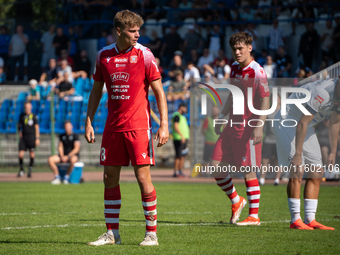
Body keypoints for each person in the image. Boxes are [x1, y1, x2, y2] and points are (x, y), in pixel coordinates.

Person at [85, 10, 169, 246]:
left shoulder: (145, 55)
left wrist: (164, 124)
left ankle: (151, 233)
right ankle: (112, 234)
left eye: (138, 30)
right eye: (132, 31)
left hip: (139, 127)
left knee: (143, 178)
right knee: (109, 177)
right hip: (112, 127)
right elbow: (96, 91)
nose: (137, 35)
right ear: (119, 31)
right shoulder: (103, 56)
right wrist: (89, 121)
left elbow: (159, 91)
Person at [211, 32, 270, 226]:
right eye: (234, 49)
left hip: (248, 128)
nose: (237, 52)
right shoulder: (235, 69)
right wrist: (222, 116)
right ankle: (237, 201)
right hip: (230, 127)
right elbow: (232, 95)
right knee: (215, 166)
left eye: (241, 48)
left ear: (250, 48)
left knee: (249, 171)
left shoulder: (257, 71)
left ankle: (254, 216)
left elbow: (266, 99)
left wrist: (259, 126)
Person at [273, 79, 339, 231]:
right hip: (287, 121)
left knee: (317, 171)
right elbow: (302, 122)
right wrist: (298, 154)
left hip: (305, 125)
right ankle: (295, 220)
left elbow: (335, 122)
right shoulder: (322, 92)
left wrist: (333, 151)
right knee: (298, 168)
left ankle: (310, 219)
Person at [259, 94, 281, 185]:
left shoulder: (283, 111)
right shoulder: (267, 111)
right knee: (265, 160)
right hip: (268, 139)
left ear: (280, 100)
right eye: (273, 98)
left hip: (279, 140)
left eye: (276, 98)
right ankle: (262, 179)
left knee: (278, 161)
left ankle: (277, 179)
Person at [17, 101, 40, 178]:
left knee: (32, 154)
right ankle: (21, 169)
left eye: (28, 107)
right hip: (24, 138)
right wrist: (19, 131)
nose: (27, 109)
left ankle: (30, 170)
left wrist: (37, 138)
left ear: (31, 107)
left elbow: (37, 128)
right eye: (26, 107)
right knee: (20, 154)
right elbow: (19, 125)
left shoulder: (34, 116)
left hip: (31, 138)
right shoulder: (22, 115)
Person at [171, 103, 189, 177]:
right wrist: (182, 136)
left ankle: (180, 170)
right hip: (179, 138)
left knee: (183, 155)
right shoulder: (177, 115)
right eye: (185, 108)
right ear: (181, 107)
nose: (186, 109)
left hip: (183, 138)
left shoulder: (182, 116)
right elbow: (176, 126)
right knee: (178, 156)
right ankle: (176, 172)